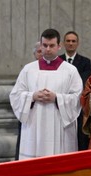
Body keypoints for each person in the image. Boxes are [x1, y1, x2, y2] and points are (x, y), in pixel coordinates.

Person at [10, 29, 83, 159]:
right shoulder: (28, 69)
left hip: (59, 124)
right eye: (45, 45)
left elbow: (77, 97)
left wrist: (57, 98)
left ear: (59, 46)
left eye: (52, 45)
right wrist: (32, 96)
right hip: (34, 125)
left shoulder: (70, 70)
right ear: (41, 45)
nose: (48, 49)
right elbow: (16, 95)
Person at [60, 31, 91, 150]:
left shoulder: (85, 62)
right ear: (63, 43)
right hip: (61, 104)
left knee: (79, 138)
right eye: (68, 41)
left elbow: (82, 81)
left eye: (73, 41)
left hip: (77, 104)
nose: (70, 43)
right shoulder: (58, 61)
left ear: (77, 43)